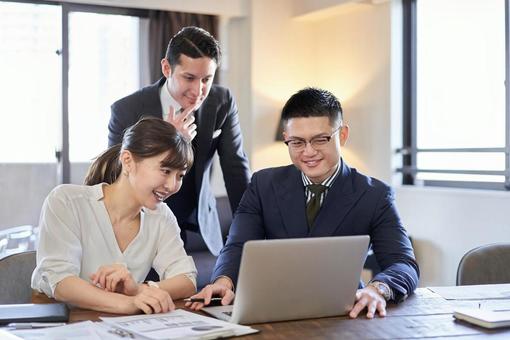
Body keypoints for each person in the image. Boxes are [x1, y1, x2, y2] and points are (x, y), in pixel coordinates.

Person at [186, 87, 420, 319]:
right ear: (286, 138)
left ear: (343, 135)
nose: (309, 152)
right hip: (273, 309)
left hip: (344, 311)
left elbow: (403, 263)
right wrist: (224, 280)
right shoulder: (263, 184)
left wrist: (377, 288)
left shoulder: (375, 195)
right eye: (297, 142)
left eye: (320, 139)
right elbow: (237, 245)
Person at [108, 26, 250, 257]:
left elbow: (236, 169)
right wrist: (167, 141)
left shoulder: (222, 101)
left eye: (206, 79)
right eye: (189, 78)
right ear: (167, 68)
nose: (198, 90)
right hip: (144, 224)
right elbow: (115, 172)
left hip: (200, 224)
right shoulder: (127, 110)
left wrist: (250, 230)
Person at [32, 117, 197, 314]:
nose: (172, 186)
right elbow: (61, 283)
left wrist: (139, 290)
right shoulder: (66, 201)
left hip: (116, 323)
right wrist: (128, 303)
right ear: (128, 161)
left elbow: (187, 280)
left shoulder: (161, 216)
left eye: (180, 175)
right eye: (165, 170)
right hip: (59, 319)